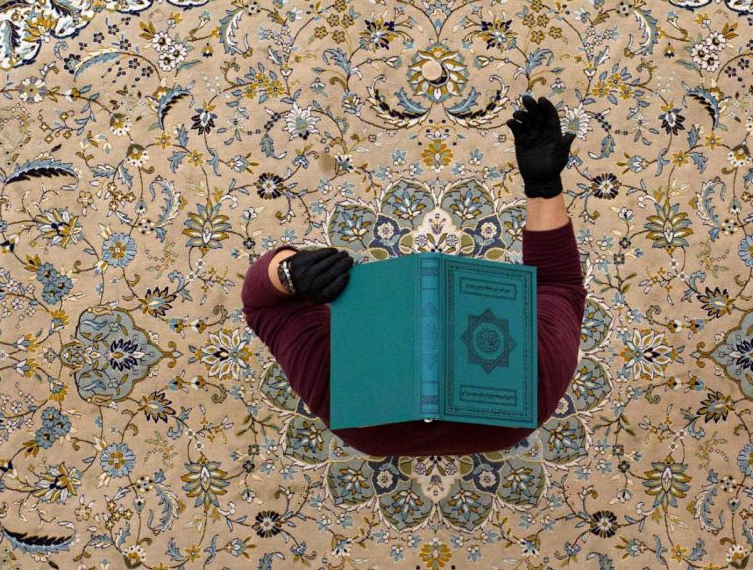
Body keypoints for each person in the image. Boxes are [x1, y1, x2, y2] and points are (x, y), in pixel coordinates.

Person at [241, 93, 588, 458]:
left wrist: (288, 272)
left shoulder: (335, 387)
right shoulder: (532, 384)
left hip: (373, 431)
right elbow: (559, 286)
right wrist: (544, 188)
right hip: (501, 426)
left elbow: (261, 303)